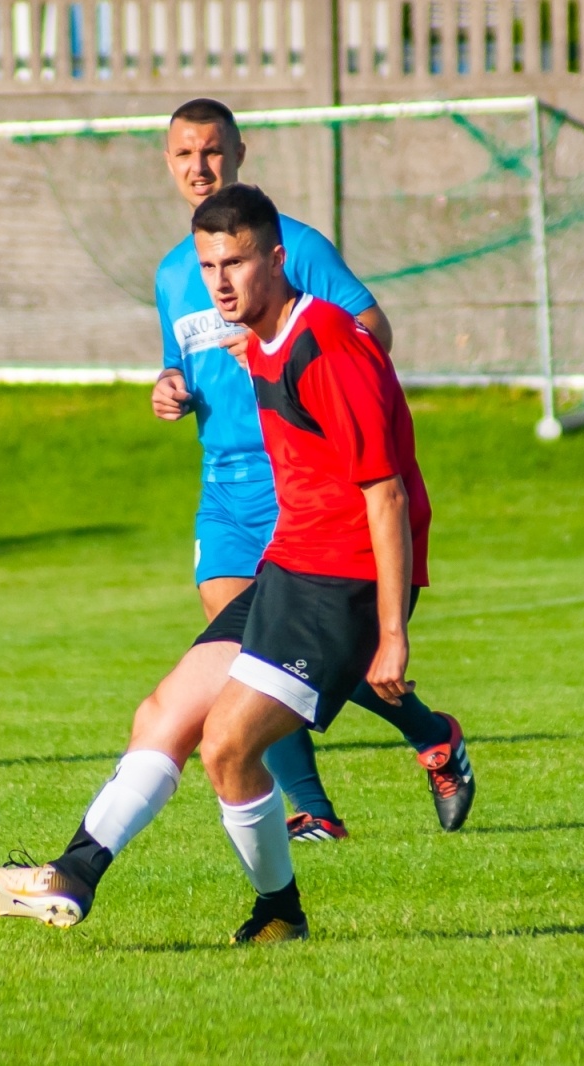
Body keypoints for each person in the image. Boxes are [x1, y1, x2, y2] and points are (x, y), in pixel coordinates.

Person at [0, 185, 475, 943]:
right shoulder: (257, 340)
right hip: (288, 569)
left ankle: (278, 913)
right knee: (163, 714)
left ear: (277, 259)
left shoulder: (323, 344)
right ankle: (75, 872)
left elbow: (386, 493)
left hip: (343, 587)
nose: (221, 281)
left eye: (237, 261)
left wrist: (392, 632)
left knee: (227, 747)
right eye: (208, 265)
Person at [152, 97, 428, 843]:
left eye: (211, 152)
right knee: (243, 657)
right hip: (223, 490)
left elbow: (372, 330)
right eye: (183, 155)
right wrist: (168, 387)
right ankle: (333, 800)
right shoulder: (174, 272)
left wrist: (282, 363)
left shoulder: (291, 247)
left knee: (268, 658)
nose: (198, 168)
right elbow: (184, 360)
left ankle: (385, 762)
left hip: (294, 485)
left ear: (240, 153)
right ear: (167, 162)